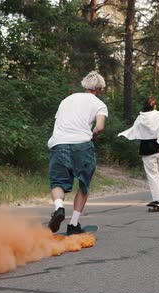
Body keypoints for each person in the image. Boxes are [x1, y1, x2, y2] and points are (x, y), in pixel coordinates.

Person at [47, 71, 108, 235]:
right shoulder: (98, 104)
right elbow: (100, 127)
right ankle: (73, 224)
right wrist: (93, 135)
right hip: (82, 145)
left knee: (57, 182)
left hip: (58, 143)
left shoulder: (66, 100)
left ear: (85, 85)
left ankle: (59, 208)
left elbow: (60, 122)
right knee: (83, 184)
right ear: (99, 88)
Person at [118, 96, 159, 208]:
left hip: (147, 149)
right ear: (155, 105)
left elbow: (135, 131)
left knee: (152, 175)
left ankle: (158, 200)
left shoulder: (140, 118)